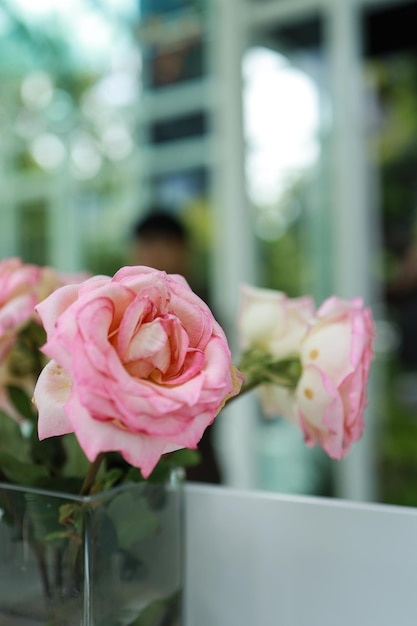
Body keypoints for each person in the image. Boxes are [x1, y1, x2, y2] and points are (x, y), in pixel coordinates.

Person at [129, 208, 222, 484]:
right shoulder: (126, 309)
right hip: (135, 468)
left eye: (165, 245)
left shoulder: (204, 312)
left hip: (195, 462)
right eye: (147, 245)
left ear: (184, 251)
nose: (155, 254)